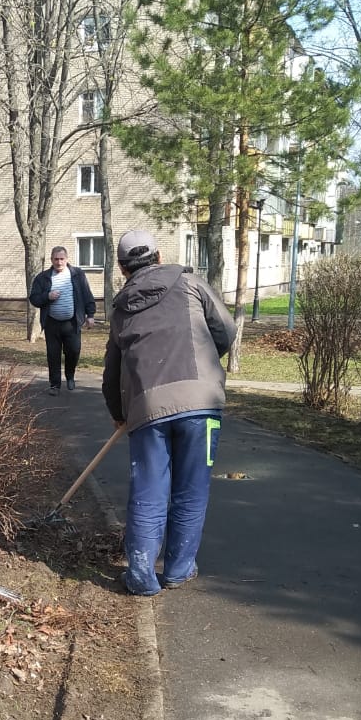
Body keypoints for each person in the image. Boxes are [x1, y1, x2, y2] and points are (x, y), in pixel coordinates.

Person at [102, 228, 235, 596]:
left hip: (147, 408)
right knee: (192, 489)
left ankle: (142, 577)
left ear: (122, 268)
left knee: (148, 490)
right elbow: (225, 328)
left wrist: (117, 410)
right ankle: (178, 570)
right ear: (159, 257)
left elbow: (112, 370)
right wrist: (207, 364)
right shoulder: (191, 283)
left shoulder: (119, 308)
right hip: (202, 403)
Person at [28, 246, 96, 394]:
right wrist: (47, 296)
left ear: (67, 259)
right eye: (56, 259)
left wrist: (90, 315)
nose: (59, 262)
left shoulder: (77, 274)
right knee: (53, 354)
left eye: (62, 259)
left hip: (72, 323)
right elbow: (34, 298)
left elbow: (87, 295)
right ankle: (55, 385)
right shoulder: (43, 277)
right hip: (52, 323)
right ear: (51, 259)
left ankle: (70, 375)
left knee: (73, 351)